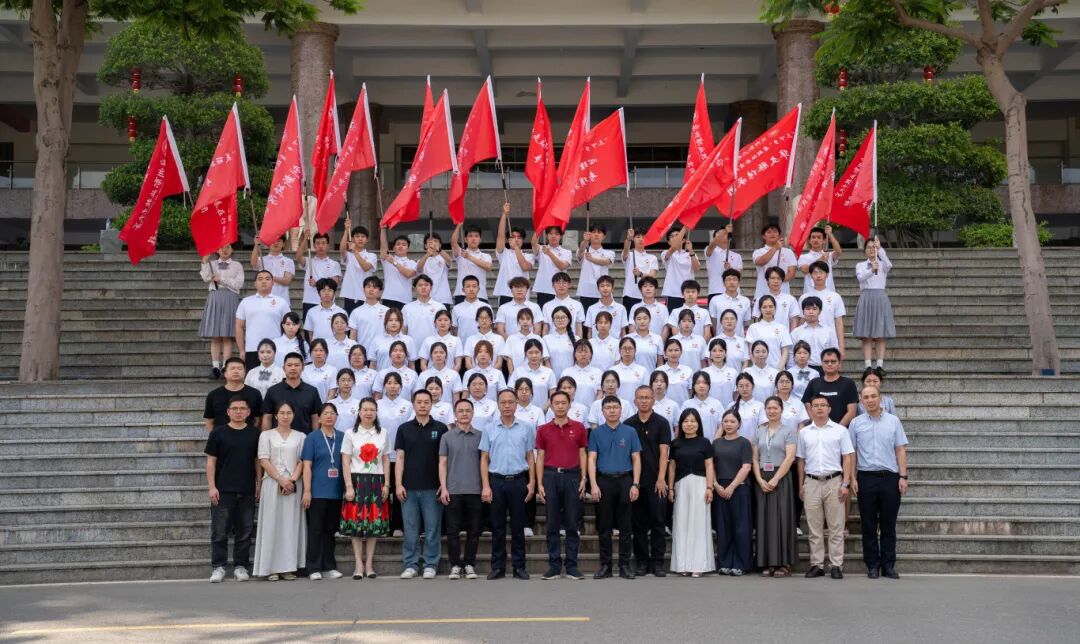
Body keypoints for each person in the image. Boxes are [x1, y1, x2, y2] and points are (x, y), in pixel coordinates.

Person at [850, 384, 909, 579]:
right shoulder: (856, 423)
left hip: (889, 478)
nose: (870, 400)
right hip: (865, 478)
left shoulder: (893, 421)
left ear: (880, 398)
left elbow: (900, 449)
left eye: (873, 396)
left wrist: (903, 476)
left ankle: (888, 565)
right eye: (866, 397)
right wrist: (852, 478)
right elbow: (852, 453)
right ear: (861, 400)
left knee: (888, 524)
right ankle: (872, 565)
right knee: (868, 524)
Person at [481, 389, 537, 580]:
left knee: (518, 527)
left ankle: (519, 566)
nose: (507, 406)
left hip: (518, 481)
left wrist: (532, 482)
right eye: (503, 402)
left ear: (516, 404)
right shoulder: (489, 428)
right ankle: (498, 567)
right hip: (496, 481)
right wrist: (485, 485)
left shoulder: (526, 428)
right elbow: (484, 458)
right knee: (497, 527)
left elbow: (530, 456)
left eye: (510, 402)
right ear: (498, 404)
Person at [798, 394, 855, 579]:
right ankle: (817, 564)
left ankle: (836, 565)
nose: (820, 408)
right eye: (816, 405)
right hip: (811, 481)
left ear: (829, 409)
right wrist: (801, 484)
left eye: (823, 405)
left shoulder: (840, 430)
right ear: (811, 409)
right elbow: (801, 460)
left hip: (834, 481)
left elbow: (847, 457)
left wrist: (845, 483)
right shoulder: (804, 433)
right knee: (814, 527)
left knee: (836, 526)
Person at [205, 395, 260, 583]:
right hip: (223, 489)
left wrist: (259, 483)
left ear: (248, 412)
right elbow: (211, 461)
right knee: (219, 531)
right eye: (235, 408)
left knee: (245, 531)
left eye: (242, 408)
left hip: (247, 489)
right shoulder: (218, 433)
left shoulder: (255, 433)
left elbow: (257, 461)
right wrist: (212, 486)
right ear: (228, 412)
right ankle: (218, 567)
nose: (238, 412)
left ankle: (240, 566)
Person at [395, 389, 449, 579]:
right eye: (419, 402)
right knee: (410, 529)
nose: (423, 405)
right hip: (408, 487)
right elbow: (399, 458)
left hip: (433, 487)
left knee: (433, 528)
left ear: (431, 404)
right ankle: (410, 564)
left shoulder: (441, 428)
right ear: (413, 404)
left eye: (426, 402)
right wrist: (398, 484)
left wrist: (443, 484)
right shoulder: (404, 429)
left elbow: (444, 460)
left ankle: (430, 564)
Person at [535, 390, 589, 580]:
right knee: (552, 523)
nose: (560, 406)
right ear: (551, 406)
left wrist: (583, 478)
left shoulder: (579, 427)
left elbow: (583, 453)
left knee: (572, 523)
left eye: (563, 402)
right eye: (556, 403)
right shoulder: (543, 429)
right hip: (550, 476)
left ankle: (572, 566)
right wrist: (539, 483)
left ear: (569, 404)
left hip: (573, 476)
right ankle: (554, 566)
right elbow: (540, 456)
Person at [589, 395, 642, 579]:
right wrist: (593, 485)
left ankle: (625, 565)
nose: (612, 410)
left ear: (621, 410)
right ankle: (606, 565)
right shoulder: (596, 433)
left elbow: (636, 458)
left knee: (626, 526)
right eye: (608, 407)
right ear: (602, 411)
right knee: (604, 526)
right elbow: (592, 459)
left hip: (625, 480)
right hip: (604, 481)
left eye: (615, 407)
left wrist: (635, 484)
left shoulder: (630, 431)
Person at [252, 401, 307, 580]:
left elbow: (302, 461)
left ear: (293, 415)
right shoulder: (266, 435)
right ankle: (271, 568)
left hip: (293, 485)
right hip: (272, 483)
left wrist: (291, 480)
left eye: (288, 413)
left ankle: (287, 567)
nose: (285, 416)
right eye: (282, 413)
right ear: (276, 415)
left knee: (290, 525)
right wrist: (280, 479)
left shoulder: (301, 436)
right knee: (271, 524)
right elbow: (263, 459)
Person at [340, 397, 391, 580]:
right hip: (356, 480)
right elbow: (345, 461)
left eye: (372, 410)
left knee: (373, 525)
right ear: (359, 412)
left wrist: (387, 484)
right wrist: (348, 486)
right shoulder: (350, 433)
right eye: (365, 409)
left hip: (376, 481)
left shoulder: (383, 433)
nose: (368, 413)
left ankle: (369, 564)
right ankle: (358, 564)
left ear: (376, 412)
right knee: (356, 524)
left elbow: (386, 459)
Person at [625, 385, 671, 577]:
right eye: (640, 398)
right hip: (636, 482)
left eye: (647, 397)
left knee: (658, 522)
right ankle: (642, 562)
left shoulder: (662, 423)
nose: (644, 401)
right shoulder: (628, 424)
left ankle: (658, 562)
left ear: (653, 400)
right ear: (635, 401)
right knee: (638, 524)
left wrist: (661, 478)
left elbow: (664, 453)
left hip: (656, 481)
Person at [439, 398, 485, 581]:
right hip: (453, 490)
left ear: (473, 413)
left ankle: (469, 564)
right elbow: (442, 463)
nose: (464, 414)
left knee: (474, 531)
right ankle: (456, 565)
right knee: (453, 531)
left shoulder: (481, 436)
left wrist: (485, 487)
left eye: (468, 410)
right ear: (455, 414)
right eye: (461, 411)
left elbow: (485, 462)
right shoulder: (447, 437)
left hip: (475, 490)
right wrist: (443, 487)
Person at [667, 408, 715, 577]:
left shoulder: (705, 443)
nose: (689, 424)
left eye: (693, 421)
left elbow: (709, 465)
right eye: (686, 421)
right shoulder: (675, 444)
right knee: (681, 523)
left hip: (700, 484)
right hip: (680, 485)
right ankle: (682, 565)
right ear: (680, 424)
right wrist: (671, 488)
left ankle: (698, 565)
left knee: (699, 524)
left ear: (698, 424)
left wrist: (709, 487)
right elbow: (672, 466)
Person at [753, 397, 798, 577]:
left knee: (782, 519)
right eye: (769, 408)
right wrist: (759, 478)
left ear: (781, 410)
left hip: (781, 477)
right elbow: (754, 457)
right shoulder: (759, 431)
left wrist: (776, 479)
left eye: (775, 408)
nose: (772, 411)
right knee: (764, 520)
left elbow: (790, 457)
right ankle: (767, 561)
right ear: (765, 410)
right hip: (762, 477)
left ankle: (783, 563)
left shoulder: (788, 431)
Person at [301, 403, 345, 580]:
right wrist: (307, 490)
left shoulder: (343, 437)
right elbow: (306, 466)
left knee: (330, 530)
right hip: (317, 491)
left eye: (332, 413)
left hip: (336, 491)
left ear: (336, 417)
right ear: (319, 417)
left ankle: (329, 565)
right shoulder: (312, 438)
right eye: (325, 413)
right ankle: (313, 567)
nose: (329, 416)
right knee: (315, 530)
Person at [711, 409, 752, 577]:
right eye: (726, 421)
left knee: (741, 527)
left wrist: (732, 487)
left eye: (732, 421)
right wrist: (715, 485)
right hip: (720, 488)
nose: (729, 424)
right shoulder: (716, 443)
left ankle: (741, 564)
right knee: (723, 527)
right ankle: (725, 563)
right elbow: (711, 466)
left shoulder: (744, 443)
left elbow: (746, 467)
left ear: (739, 424)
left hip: (739, 488)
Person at [200, 244, 245, 379]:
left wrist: (222, 279)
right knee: (215, 335)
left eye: (228, 247)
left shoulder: (237, 265)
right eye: (221, 248)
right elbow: (205, 277)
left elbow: (238, 283)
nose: (225, 250)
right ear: (217, 250)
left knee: (227, 335)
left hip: (230, 298)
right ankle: (215, 367)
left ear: (232, 250)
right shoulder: (212, 264)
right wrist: (204, 262)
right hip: (215, 297)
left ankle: (226, 366)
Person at [377, 372, 414, 537]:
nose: (392, 386)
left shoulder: (408, 405)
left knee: (400, 491)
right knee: (382, 491)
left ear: (401, 386)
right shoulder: (377, 404)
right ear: (384, 386)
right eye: (389, 382)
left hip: (401, 456)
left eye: (395, 383)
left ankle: (398, 525)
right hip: (381, 456)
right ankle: (382, 525)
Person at [235, 270, 290, 371]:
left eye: (267, 279)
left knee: (276, 378)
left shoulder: (281, 302)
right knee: (253, 379)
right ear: (255, 283)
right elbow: (239, 327)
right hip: (252, 348)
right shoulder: (246, 302)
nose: (264, 281)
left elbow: (289, 326)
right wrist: (242, 349)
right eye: (260, 279)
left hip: (275, 349)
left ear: (273, 283)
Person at [854, 236, 895, 370]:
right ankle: (868, 365)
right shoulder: (860, 265)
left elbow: (889, 265)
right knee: (867, 335)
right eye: (869, 247)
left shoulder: (882, 264)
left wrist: (880, 249)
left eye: (873, 247)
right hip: (866, 298)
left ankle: (879, 365)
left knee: (880, 335)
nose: (871, 250)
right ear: (865, 250)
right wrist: (871, 270)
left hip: (880, 298)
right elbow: (861, 278)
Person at [262, 353, 322, 434]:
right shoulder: (272, 391)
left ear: (303, 367)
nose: (293, 368)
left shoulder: (312, 391)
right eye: (289, 365)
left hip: (305, 438)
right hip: (277, 439)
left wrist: (314, 438)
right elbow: (267, 417)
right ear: (283, 368)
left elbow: (315, 418)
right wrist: (266, 437)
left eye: (297, 365)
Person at [799, 261, 847, 358]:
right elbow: (801, 321)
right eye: (815, 273)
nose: (818, 275)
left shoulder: (835, 297)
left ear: (827, 275)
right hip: (808, 341)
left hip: (829, 341)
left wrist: (841, 347)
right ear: (810, 276)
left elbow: (839, 323)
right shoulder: (804, 297)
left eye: (821, 272)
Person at [802, 348, 859, 427]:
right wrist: (816, 424)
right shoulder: (813, 383)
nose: (829, 364)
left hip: (841, 430)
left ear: (839, 364)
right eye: (826, 361)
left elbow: (852, 411)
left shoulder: (848, 383)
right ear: (822, 364)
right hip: (817, 429)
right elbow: (807, 405)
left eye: (833, 361)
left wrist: (837, 429)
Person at [204, 357, 263, 432]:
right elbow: (209, 421)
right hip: (221, 437)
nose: (236, 371)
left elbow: (258, 419)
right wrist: (215, 436)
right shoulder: (213, 395)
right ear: (225, 373)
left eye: (239, 369)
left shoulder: (255, 394)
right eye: (232, 368)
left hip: (247, 436)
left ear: (245, 373)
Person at [492, 203, 534, 306]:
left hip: (523, 294)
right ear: (509, 239)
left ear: (523, 240)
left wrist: (516, 248)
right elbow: (500, 235)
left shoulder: (529, 256)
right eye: (513, 237)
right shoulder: (504, 253)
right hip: (505, 293)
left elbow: (525, 267)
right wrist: (504, 214)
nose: (516, 239)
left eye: (519, 237)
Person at [296, 231, 342, 319]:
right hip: (310, 301)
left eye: (323, 243)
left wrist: (317, 284)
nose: (321, 246)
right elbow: (298, 257)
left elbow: (334, 284)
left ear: (328, 245)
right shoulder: (309, 261)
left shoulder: (334, 264)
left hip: (327, 302)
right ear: (314, 245)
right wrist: (305, 238)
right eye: (318, 243)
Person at [789, 297, 839, 372]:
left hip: (824, 369)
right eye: (808, 309)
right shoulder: (796, 333)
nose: (811, 312)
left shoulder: (828, 331)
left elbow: (834, 352)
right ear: (803, 311)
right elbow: (791, 354)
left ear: (820, 311)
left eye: (814, 309)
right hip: (803, 369)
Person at [338, 221, 377, 314]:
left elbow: (365, 267)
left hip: (365, 296)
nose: (360, 239)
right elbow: (342, 250)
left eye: (363, 237)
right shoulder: (349, 255)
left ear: (367, 239)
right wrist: (346, 230)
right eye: (357, 236)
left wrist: (355, 251)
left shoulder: (372, 256)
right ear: (353, 239)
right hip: (350, 294)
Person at [751, 224, 795, 303]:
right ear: (763, 236)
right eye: (768, 232)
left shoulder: (788, 252)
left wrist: (776, 280)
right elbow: (761, 262)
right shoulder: (758, 252)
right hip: (763, 291)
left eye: (775, 232)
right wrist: (775, 248)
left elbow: (791, 273)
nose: (772, 234)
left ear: (779, 235)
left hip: (783, 292)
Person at [531, 225, 573, 309]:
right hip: (543, 289)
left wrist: (549, 253)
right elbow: (533, 243)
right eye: (550, 233)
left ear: (561, 236)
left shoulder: (567, 252)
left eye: (556, 234)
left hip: (559, 289)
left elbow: (562, 266)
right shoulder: (541, 249)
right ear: (547, 236)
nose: (553, 236)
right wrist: (540, 227)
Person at [577, 222, 615, 313]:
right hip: (586, 292)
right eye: (593, 232)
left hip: (602, 292)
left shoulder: (609, 253)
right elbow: (580, 251)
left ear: (604, 236)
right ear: (590, 235)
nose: (596, 235)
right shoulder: (584, 251)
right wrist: (585, 240)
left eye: (599, 232)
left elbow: (606, 262)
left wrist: (592, 259)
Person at [451, 222, 493, 304]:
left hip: (480, 295)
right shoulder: (460, 253)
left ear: (480, 239)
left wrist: (469, 257)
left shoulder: (486, 256)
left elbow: (488, 266)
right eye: (470, 236)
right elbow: (453, 242)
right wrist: (458, 226)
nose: (473, 238)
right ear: (465, 239)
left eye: (476, 236)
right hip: (462, 294)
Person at [746, 295, 792, 369]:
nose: (768, 310)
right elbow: (751, 351)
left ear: (775, 308)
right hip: (759, 370)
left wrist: (779, 370)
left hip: (777, 369)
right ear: (760, 309)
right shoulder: (753, 327)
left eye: (771, 307)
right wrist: (757, 369)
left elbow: (785, 351)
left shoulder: (782, 328)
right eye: (764, 307)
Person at [621, 227, 659, 316]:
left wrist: (640, 274)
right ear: (633, 239)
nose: (641, 239)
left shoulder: (652, 258)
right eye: (638, 237)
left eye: (643, 237)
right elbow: (625, 251)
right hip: (630, 295)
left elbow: (652, 276)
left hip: (646, 296)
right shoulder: (629, 255)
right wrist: (628, 238)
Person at [508, 339, 557, 408]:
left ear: (541, 353)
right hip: (521, 411)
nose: (534, 356)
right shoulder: (518, 371)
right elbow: (512, 394)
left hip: (543, 411)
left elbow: (553, 396)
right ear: (525, 353)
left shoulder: (549, 372)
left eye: (537, 352)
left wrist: (542, 410)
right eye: (530, 352)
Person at [347, 275, 389, 353]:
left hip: (382, 352)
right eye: (368, 287)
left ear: (380, 291)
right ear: (364, 289)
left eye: (375, 287)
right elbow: (353, 335)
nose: (371, 289)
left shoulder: (387, 311)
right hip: (362, 354)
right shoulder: (356, 312)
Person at [661, 226, 699, 311]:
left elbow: (696, 269)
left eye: (677, 235)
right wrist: (685, 228)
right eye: (672, 236)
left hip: (689, 292)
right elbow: (674, 246)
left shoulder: (690, 254)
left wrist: (691, 251)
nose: (675, 238)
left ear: (684, 240)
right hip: (673, 293)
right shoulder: (666, 253)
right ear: (669, 242)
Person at [402, 274, 447, 346]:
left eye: (426, 285)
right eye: (420, 285)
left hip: (435, 349)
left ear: (431, 287)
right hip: (413, 349)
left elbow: (445, 330)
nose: (423, 287)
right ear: (415, 288)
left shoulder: (440, 307)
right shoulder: (407, 308)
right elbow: (403, 330)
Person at [500, 308, 548, 373]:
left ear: (532, 321)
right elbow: (509, 360)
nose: (525, 322)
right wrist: (512, 375)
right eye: (522, 319)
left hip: (535, 375)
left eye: (528, 319)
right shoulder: (511, 338)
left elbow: (541, 359)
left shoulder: (538, 339)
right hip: (517, 376)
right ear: (518, 321)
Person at [379, 231, 418, 310]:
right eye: (398, 244)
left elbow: (408, 274)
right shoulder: (387, 259)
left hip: (405, 300)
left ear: (408, 248)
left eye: (404, 244)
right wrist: (383, 229)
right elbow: (383, 246)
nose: (400, 246)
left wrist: (394, 262)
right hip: (388, 298)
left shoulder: (412, 263)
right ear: (393, 248)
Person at [798, 225, 842, 293]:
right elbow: (805, 270)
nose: (816, 240)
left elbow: (838, 251)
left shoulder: (828, 255)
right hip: (810, 292)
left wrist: (830, 234)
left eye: (819, 237)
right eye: (813, 237)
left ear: (823, 241)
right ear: (809, 240)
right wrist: (821, 259)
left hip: (828, 292)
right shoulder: (803, 257)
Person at [705, 224, 743, 303]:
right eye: (719, 234)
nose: (722, 235)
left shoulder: (737, 256)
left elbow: (738, 274)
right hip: (716, 291)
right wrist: (725, 230)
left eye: (725, 234)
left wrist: (730, 269)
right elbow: (711, 247)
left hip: (733, 292)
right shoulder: (710, 250)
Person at [708, 269, 751, 338]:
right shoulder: (715, 300)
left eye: (734, 279)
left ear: (739, 283)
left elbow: (746, 324)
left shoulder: (745, 301)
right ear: (723, 283)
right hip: (720, 341)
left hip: (739, 341)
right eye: (728, 279)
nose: (731, 282)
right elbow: (713, 323)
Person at [540, 271, 585, 336]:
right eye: (558, 282)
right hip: (552, 340)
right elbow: (546, 328)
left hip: (571, 340)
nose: (561, 285)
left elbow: (579, 328)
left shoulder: (577, 305)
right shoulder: (547, 306)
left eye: (564, 282)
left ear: (569, 285)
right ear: (553, 285)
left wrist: (578, 341)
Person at [250, 236, 295, 302]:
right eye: (273, 241)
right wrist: (256, 245)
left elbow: (287, 281)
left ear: (283, 244)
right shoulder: (262, 259)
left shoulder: (288, 261)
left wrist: (269, 277)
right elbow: (253, 263)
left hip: (282, 300)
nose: (276, 243)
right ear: (269, 243)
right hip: (264, 300)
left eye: (278, 241)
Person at [303, 279, 347, 343]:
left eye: (330, 290)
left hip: (336, 347)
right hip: (318, 348)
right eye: (323, 290)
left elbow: (345, 332)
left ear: (334, 293)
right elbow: (310, 333)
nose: (326, 293)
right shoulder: (311, 312)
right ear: (319, 293)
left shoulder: (342, 312)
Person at [681, 371, 724, 438]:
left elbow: (721, 425)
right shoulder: (687, 405)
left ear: (709, 385)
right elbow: (682, 425)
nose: (701, 386)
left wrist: (715, 441)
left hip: (712, 442)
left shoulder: (717, 404)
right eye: (698, 383)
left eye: (705, 383)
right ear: (693, 386)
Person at [416, 232, 454, 306]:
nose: (433, 244)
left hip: (443, 298)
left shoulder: (443, 258)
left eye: (436, 241)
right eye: (430, 242)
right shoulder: (422, 260)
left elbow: (449, 260)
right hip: (427, 298)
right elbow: (418, 269)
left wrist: (439, 250)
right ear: (425, 245)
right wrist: (427, 254)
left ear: (440, 244)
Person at [563, 340, 603, 408]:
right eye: (580, 352)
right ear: (574, 354)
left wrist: (594, 408)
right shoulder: (566, 372)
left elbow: (600, 393)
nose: (583, 354)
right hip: (570, 411)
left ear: (591, 354)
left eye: (586, 351)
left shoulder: (598, 372)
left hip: (591, 411)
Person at [655, 338, 694, 406]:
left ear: (681, 352)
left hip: (684, 409)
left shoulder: (688, 371)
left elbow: (691, 393)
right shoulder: (658, 371)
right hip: (663, 409)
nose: (673, 353)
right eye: (670, 350)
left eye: (676, 350)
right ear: (665, 353)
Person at [542, 306, 577, 376]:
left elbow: (577, 361)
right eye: (557, 318)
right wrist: (552, 378)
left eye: (563, 317)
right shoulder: (546, 339)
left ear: (569, 319)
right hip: (553, 377)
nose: (560, 320)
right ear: (553, 321)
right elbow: (546, 362)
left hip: (572, 377)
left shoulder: (576, 339)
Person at [729, 373, 766, 440]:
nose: (744, 389)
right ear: (737, 388)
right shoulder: (731, 406)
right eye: (741, 386)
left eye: (747, 385)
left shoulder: (760, 406)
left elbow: (763, 428)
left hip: (754, 444)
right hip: (734, 443)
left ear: (753, 386)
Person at [612, 337, 649, 402]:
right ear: (619, 351)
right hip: (617, 406)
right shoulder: (613, 371)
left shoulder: (643, 371)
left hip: (637, 407)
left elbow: (646, 392)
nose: (627, 351)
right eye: (624, 348)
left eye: (630, 348)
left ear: (635, 350)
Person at [626, 307, 663, 372]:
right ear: (634, 320)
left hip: (651, 376)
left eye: (645, 318)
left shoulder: (657, 338)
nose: (642, 322)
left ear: (650, 320)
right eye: (639, 319)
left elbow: (660, 364)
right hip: (631, 376)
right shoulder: (627, 339)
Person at [703, 338, 738, 404]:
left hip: (729, 409)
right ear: (710, 354)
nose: (717, 354)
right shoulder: (704, 373)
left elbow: (735, 394)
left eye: (721, 350)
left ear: (725, 353)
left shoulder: (733, 372)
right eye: (714, 351)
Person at [326, 368, 361, 433]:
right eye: (343, 380)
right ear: (337, 382)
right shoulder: (330, 404)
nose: (346, 383)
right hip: (334, 437)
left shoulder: (359, 404)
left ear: (353, 382)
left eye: (349, 380)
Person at [452, 275, 487, 340]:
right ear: (463, 290)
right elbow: (454, 328)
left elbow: (490, 327)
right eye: (468, 286)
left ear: (478, 289)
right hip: (463, 344)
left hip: (482, 345)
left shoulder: (486, 307)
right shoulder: (456, 308)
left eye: (474, 286)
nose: (471, 289)